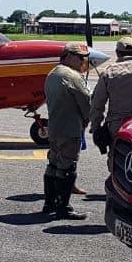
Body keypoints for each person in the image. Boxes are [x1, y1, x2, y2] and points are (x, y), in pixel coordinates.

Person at [40, 42, 92, 220]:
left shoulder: (52, 73)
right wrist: (89, 119)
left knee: (53, 165)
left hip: (55, 127)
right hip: (70, 128)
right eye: (80, 58)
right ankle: (64, 207)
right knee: (68, 167)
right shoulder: (72, 76)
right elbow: (86, 102)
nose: (83, 62)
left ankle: (50, 203)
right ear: (69, 56)